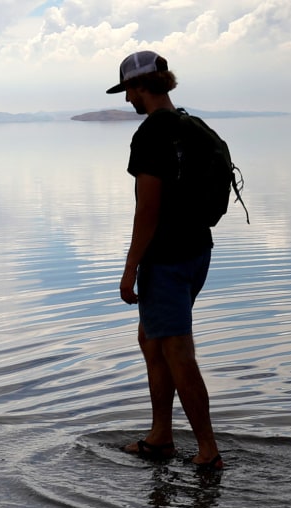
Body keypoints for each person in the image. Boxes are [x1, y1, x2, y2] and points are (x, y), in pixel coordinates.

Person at [109, 51, 224, 471]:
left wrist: (130, 268)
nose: (128, 100)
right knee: (151, 339)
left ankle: (208, 451)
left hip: (167, 258)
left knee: (177, 351)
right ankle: (160, 437)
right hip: (198, 251)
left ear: (141, 86)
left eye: (128, 91)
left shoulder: (152, 133)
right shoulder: (193, 126)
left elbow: (148, 209)